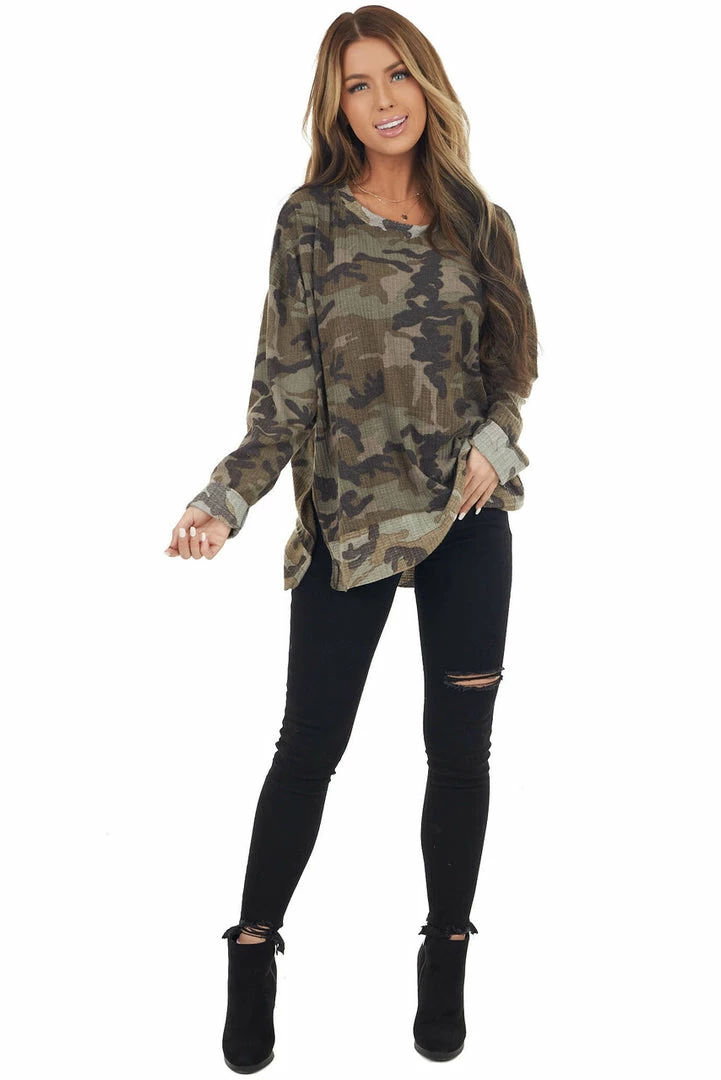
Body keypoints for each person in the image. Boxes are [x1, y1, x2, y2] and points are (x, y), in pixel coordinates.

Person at [164, 5, 539, 1072]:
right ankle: (252, 948)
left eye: (396, 76)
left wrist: (496, 444)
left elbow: (510, 370)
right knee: (309, 747)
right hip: (351, 521)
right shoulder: (310, 223)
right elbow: (282, 397)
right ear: (335, 105)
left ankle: (445, 953)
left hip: (466, 519)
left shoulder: (482, 222)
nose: (381, 101)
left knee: (459, 753)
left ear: (427, 84)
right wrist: (225, 500)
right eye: (357, 83)